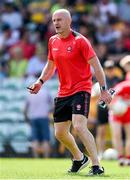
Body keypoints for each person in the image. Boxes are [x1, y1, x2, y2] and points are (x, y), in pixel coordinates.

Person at [27, 9, 112, 175]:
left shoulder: (80, 41)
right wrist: (40, 81)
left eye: (59, 20)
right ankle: (79, 158)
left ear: (69, 21)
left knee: (79, 126)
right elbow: (50, 66)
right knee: (59, 133)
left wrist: (103, 90)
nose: (56, 23)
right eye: (54, 20)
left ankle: (97, 166)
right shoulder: (52, 41)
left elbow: (97, 67)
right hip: (63, 92)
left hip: (81, 89)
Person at [96, 60, 121, 159]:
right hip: (102, 107)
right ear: (105, 70)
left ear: (114, 69)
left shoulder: (118, 80)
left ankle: (118, 153)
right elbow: (95, 93)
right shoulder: (101, 80)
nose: (110, 70)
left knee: (115, 131)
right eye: (108, 68)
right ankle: (100, 153)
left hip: (115, 108)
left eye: (111, 68)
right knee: (101, 131)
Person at [109, 56, 130, 166]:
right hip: (117, 110)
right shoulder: (122, 78)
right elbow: (113, 93)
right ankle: (121, 158)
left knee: (128, 135)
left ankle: (127, 158)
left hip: (128, 111)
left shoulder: (124, 80)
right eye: (127, 64)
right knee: (116, 135)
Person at [25, 78, 52, 158]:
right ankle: (46, 158)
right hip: (44, 117)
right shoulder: (46, 92)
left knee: (35, 139)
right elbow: (53, 105)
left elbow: (25, 109)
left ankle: (36, 158)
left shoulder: (29, 93)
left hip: (33, 118)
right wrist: (49, 112)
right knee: (45, 139)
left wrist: (26, 118)